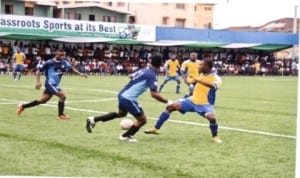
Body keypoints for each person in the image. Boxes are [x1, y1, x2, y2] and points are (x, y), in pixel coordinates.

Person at [85, 55, 172, 142]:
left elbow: (130, 76)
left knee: (121, 114)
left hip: (122, 94)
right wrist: (168, 101)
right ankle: (125, 136)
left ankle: (93, 119)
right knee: (142, 120)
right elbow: (154, 94)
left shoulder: (145, 69)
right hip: (128, 98)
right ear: (160, 64)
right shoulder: (151, 74)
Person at [145, 59, 222, 144]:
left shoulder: (215, 78)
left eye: (201, 65)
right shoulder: (201, 75)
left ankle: (215, 136)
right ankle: (156, 129)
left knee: (212, 118)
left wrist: (198, 80)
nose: (199, 67)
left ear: (207, 66)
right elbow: (196, 86)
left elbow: (213, 86)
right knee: (170, 107)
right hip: (192, 100)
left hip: (205, 104)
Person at [16, 50, 88, 120]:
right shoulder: (49, 62)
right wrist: (38, 82)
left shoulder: (64, 62)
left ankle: (23, 106)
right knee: (62, 96)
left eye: (63, 55)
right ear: (56, 55)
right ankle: (61, 115)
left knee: (42, 101)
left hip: (54, 84)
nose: (62, 57)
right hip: (50, 83)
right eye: (60, 55)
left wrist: (80, 74)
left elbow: (71, 69)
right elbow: (38, 71)